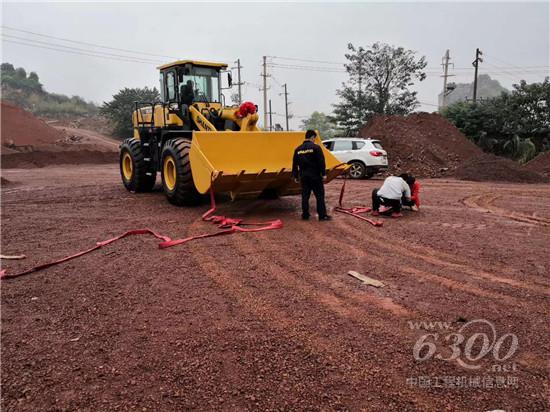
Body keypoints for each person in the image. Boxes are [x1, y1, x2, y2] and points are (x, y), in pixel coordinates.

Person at [292, 130, 331, 221]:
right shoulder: (316, 148)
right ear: (312, 137)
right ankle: (322, 215)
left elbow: (294, 164)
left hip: (304, 177)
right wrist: (324, 174)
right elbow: (321, 162)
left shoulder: (298, 149)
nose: (315, 140)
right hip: (315, 176)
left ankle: (305, 215)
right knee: (319, 196)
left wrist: (296, 176)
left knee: (305, 196)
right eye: (314, 138)